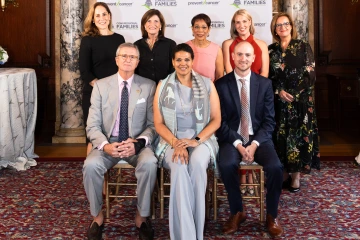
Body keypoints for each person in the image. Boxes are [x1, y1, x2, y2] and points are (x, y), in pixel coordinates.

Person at [83, 43, 158, 240]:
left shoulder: (149, 86)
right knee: (90, 165)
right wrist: (105, 145)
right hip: (108, 143)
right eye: (123, 56)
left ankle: (142, 217)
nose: (127, 59)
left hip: (136, 144)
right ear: (116, 60)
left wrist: (138, 143)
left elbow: (153, 125)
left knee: (150, 163)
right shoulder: (100, 86)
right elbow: (92, 125)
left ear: (138, 62)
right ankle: (97, 217)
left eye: (132, 57)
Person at [215, 41, 283, 238]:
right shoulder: (221, 85)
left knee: (276, 167)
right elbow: (221, 122)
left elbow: (270, 121)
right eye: (239, 54)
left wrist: (254, 144)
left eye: (247, 55)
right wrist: (237, 143)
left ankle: (272, 215)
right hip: (231, 137)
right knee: (226, 164)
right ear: (232, 57)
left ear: (254, 58)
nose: (243, 59)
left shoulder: (265, 84)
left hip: (259, 138)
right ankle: (237, 212)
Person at [154, 43, 221, 240]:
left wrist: (196, 141)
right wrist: (176, 143)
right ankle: (185, 235)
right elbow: (158, 124)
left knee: (199, 164)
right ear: (173, 62)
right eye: (179, 60)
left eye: (187, 59)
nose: (183, 63)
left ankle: (196, 230)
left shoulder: (208, 84)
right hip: (170, 139)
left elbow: (216, 119)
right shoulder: (162, 85)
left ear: (193, 61)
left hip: (202, 138)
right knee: (180, 165)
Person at [268, 12, 320, 192]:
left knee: (297, 138)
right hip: (279, 102)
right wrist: (279, 91)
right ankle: (283, 174)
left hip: (300, 102)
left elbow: (310, 74)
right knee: (280, 137)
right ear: (274, 29)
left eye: (285, 24)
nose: (282, 27)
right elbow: (268, 77)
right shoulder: (271, 50)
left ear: (291, 26)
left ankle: (296, 177)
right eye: (278, 25)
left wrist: (294, 94)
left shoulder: (303, 46)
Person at [222, 9, 269, 191]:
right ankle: (242, 178)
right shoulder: (227, 44)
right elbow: (228, 72)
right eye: (237, 22)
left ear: (250, 23)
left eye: (244, 21)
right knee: (239, 131)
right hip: (235, 95)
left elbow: (264, 74)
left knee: (253, 132)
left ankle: (251, 175)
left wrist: (253, 96)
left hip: (256, 96)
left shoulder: (261, 45)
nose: (241, 25)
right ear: (234, 25)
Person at [80, 2, 125, 155]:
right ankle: (91, 171)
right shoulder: (87, 40)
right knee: (93, 136)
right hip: (94, 94)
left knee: (115, 133)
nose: (101, 18)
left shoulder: (119, 39)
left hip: (116, 94)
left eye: (104, 14)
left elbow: (123, 67)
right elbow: (85, 71)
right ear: (92, 19)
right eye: (97, 15)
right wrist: (102, 89)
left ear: (109, 16)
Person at [134, 9, 176, 84]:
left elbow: (173, 69)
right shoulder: (137, 45)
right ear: (144, 25)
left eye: (156, 21)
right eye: (149, 21)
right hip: (143, 89)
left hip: (164, 88)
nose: (152, 24)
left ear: (161, 25)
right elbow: (134, 70)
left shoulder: (170, 44)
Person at [186, 13, 224, 81]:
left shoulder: (216, 49)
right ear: (192, 29)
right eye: (197, 27)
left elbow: (220, 75)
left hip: (210, 90)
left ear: (209, 29)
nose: (200, 31)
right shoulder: (185, 47)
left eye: (204, 27)